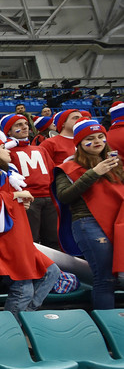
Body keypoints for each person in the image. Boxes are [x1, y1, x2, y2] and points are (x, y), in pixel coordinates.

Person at [0, 136, 60, 318]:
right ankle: (14, 328)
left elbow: (1, 202)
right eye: (3, 147)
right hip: (9, 239)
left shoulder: (0, 172)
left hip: (19, 237)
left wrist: (17, 201)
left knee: (51, 271)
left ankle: (26, 317)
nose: (8, 150)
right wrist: (17, 195)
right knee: (22, 288)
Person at [53, 119, 124, 310]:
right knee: (105, 278)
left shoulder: (116, 163)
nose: (98, 141)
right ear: (79, 143)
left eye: (101, 136)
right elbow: (65, 196)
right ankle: (108, 327)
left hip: (117, 224)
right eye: (90, 138)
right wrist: (94, 172)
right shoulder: (67, 167)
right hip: (88, 223)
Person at [1, 113, 59, 250]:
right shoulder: (5, 152)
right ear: (8, 131)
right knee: (31, 239)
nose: (25, 127)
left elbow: (52, 172)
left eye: (26, 124)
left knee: (53, 239)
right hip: (27, 200)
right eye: (18, 125)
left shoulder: (40, 149)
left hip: (48, 198)